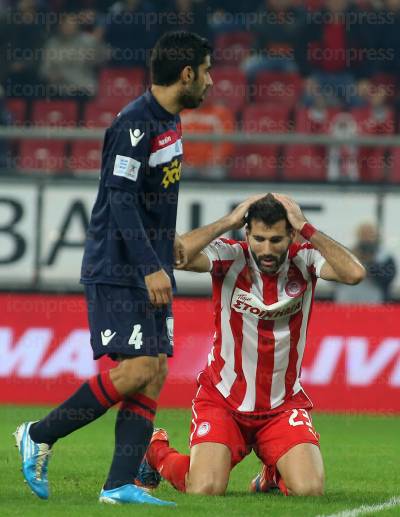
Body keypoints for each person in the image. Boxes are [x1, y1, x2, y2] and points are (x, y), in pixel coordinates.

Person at [14, 30, 213, 506]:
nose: (209, 81)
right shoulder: (135, 125)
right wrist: (149, 265)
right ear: (186, 73)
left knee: (156, 371)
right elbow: (121, 200)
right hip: (120, 268)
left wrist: (168, 249)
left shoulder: (170, 121)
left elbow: (151, 204)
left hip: (149, 263)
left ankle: (120, 484)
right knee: (139, 366)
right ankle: (38, 434)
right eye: (205, 71)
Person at [136, 193, 366, 496]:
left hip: (281, 406)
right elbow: (174, 255)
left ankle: (272, 473)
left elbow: (355, 273)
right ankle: (155, 450)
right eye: (259, 239)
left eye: (276, 239)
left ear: (291, 235)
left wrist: (307, 227)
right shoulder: (230, 256)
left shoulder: (307, 258)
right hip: (223, 401)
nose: (266, 249)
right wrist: (228, 221)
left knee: (309, 490)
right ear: (247, 234)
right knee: (204, 488)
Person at [335, 222, 396, 303]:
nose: (366, 238)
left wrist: (370, 263)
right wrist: (350, 261)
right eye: (363, 234)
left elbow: (387, 280)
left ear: (376, 236)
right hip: (346, 302)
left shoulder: (384, 256)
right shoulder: (346, 253)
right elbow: (333, 278)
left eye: (369, 234)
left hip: (374, 303)